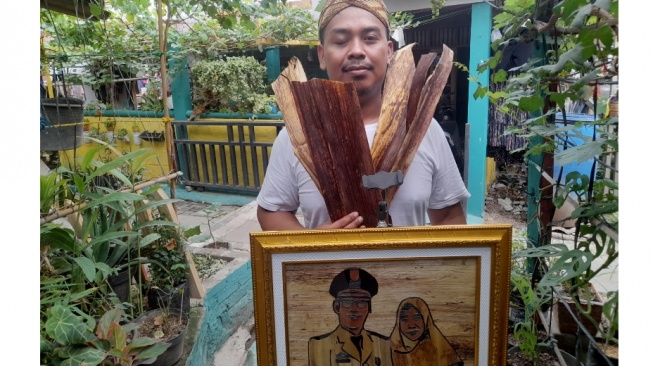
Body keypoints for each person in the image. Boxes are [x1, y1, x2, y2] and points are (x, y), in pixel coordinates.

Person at [256, 0, 470, 230]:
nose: (357, 51)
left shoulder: (424, 129)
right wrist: (312, 245)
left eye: (369, 38)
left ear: (389, 52)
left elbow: (449, 218)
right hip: (331, 267)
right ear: (322, 55)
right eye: (340, 41)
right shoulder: (297, 136)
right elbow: (272, 212)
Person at [308, 268, 393, 366]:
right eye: (347, 302)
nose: (354, 309)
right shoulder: (320, 345)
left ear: (369, 308)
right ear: (336, 307)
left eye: (361, 302)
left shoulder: (382, 343)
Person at [389, 297, 463, 366]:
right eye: (404, 319)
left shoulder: (441, 351)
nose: (411, 325)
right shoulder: (391, 352)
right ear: (398, 323)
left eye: (417, 318)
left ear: (426, 319)